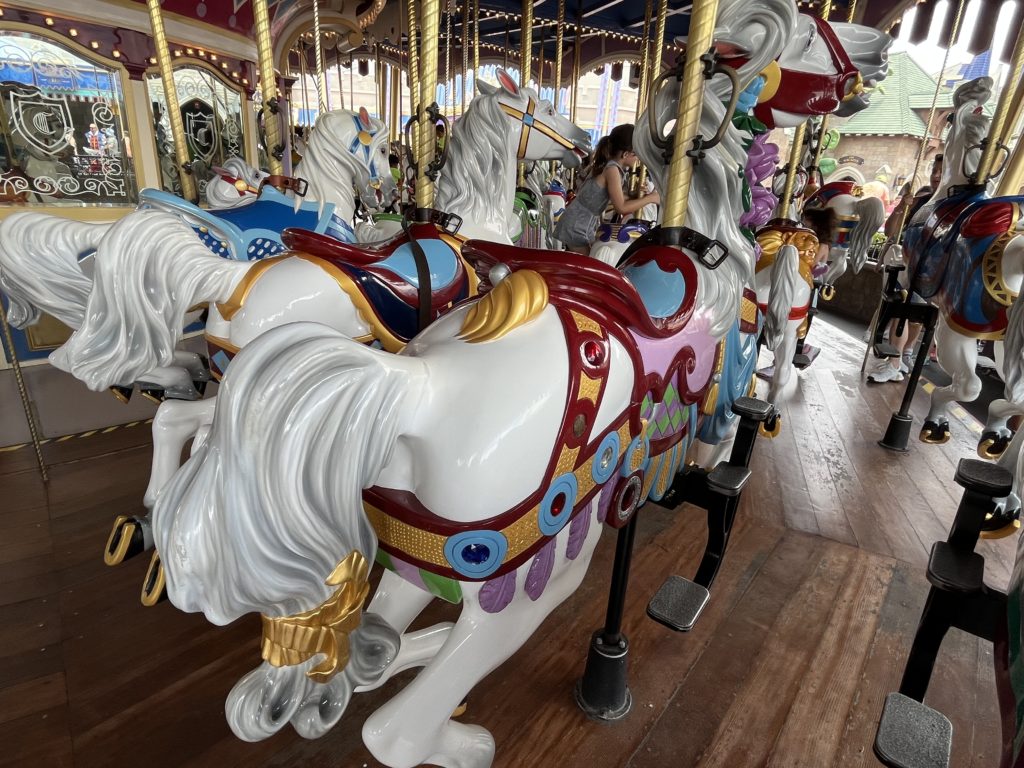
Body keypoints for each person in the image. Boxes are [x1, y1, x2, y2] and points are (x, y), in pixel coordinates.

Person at [868, 155, 943, 383]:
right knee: (902, 310)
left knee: (916, 317)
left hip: (934, 269)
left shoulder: (953, 206)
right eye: (934, 171)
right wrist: (902, 206)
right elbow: (891, 231)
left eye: (942, 171)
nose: (936, 176)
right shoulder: (921, 201)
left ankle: (904, 354)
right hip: (910, 265)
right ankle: (894, 360)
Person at [553, 124, 660, 254]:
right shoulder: (612, 170)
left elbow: (617, 196)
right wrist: (651, 198)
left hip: (582, 224)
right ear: (626, 154)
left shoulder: (613, 168)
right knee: (589, 269)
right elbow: (621, 207)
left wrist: (636, 195)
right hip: (577, 225)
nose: (637, 159)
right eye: (636, 154)